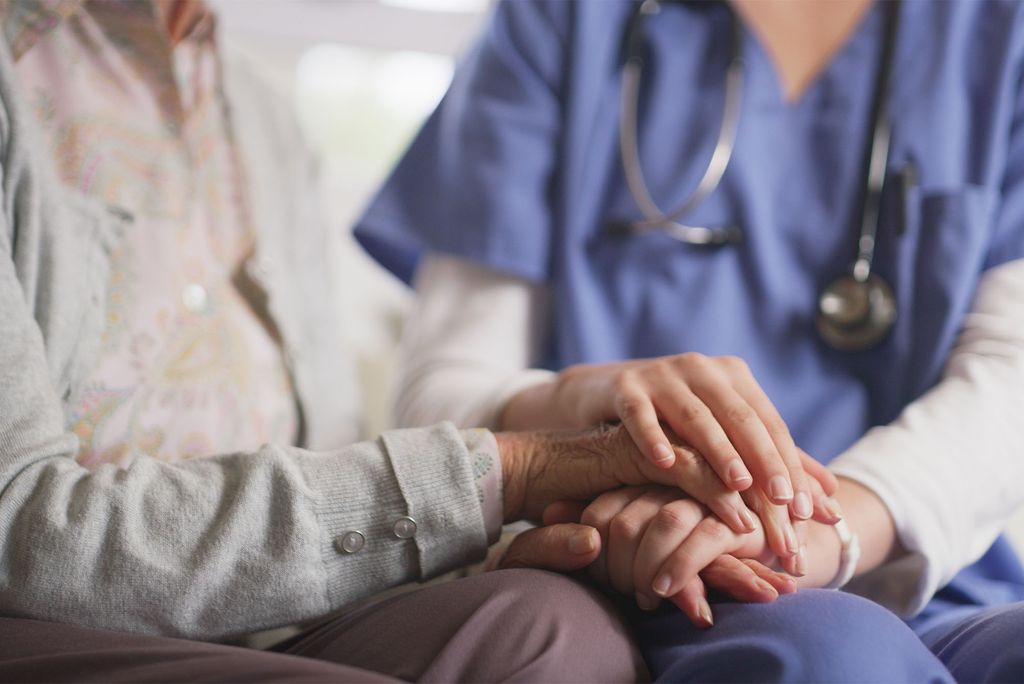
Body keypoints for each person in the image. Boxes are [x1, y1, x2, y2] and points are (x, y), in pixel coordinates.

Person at [0, 1, 804, 680]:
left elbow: (328, 466)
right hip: (45, 620)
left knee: (553, 628)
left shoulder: (257, 113)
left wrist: (543, 536)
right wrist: (519, 471)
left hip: (265, 623)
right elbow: (20, 538)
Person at [354, 0, 1024, 680]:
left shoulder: (1003, 34)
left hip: (932, 572)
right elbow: (440, 401)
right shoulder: (564, 19)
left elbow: (1010, 384)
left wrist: (826, 529)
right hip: (631, 567)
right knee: (834, 658)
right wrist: (579, 405)